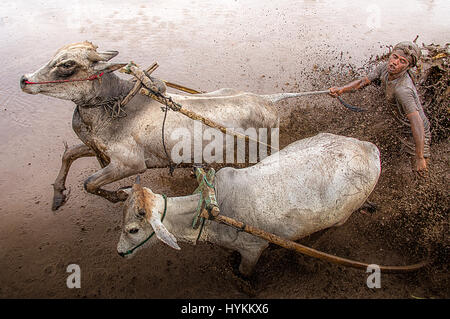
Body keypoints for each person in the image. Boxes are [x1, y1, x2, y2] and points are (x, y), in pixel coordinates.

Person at [329, 41, 431, 176]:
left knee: (419, 170)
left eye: (402, 61)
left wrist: (420, 156)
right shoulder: (385, 68)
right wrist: (341, 89)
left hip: (412, 132)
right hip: (395, 122)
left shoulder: (403, 90)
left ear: (408, 67)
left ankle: (424, 190)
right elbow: (362, 82)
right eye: (394, 57)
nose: (395, 62)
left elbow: (417, 122)